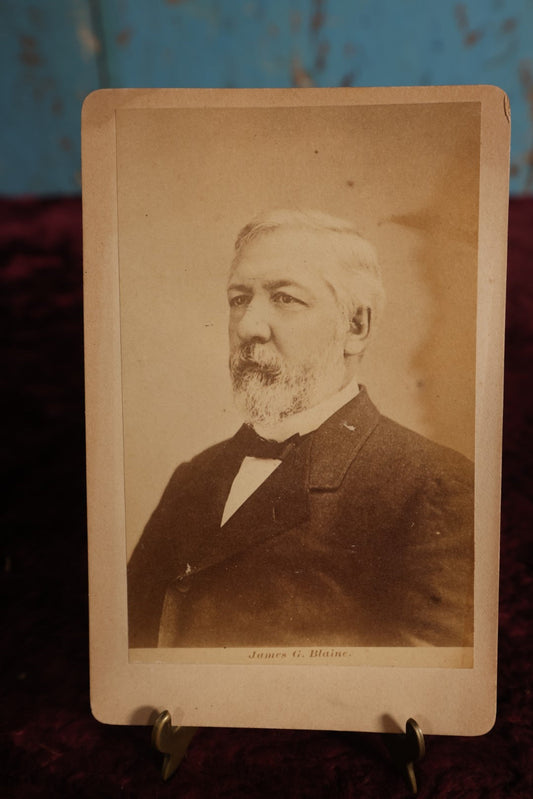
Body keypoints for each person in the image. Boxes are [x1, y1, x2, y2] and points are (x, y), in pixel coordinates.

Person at [127, 209, 474, 649]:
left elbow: (424, 692)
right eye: (238, 299)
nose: (249, 326)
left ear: (356, 327)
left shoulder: (433, 484)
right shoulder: (193, 477)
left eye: (285, 298)